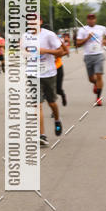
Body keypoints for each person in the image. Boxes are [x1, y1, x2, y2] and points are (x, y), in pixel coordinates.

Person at [27, 18, 65, 146]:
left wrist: (46, 51)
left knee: (52, 103)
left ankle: (57, 120)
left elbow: (61, 52)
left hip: (49, 73)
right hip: (32, 74)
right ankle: (42, 135)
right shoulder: (25, 36)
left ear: (40, 22)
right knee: (37, 104)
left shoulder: (49, 35)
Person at [76, 12, 106, 105]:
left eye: (93, 18)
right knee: (91, 78)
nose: (91, 20)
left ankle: (98, 98)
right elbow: (78, 43)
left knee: (99, 75)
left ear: (95, 19)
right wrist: (87, 38)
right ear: (87, 20)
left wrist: (105, 40)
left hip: (99, 54)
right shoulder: (82, 30)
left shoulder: (102, 28)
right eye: (89, 18)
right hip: (88, 55)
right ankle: (96, 84)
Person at [55, 33, 70, 106]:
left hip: (58, 67)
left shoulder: (57, 41)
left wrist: (57, 55)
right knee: (50, 91)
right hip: (46, 70)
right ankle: (53, 110)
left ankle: (63, 95)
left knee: (58, 89)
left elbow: (66, 52)